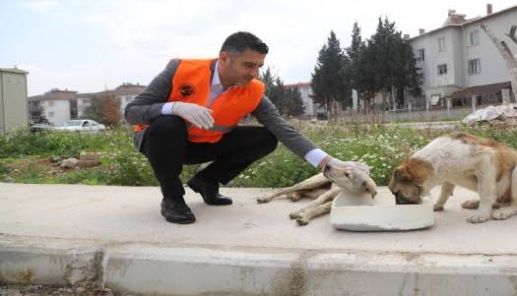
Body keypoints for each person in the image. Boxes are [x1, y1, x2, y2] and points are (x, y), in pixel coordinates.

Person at [124, 31, 359, 224]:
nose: (254, 73)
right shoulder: (180, 69)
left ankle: (207, 181)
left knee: (266, 138)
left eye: (259, 66)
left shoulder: (253, 89)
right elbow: (132, 112)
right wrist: (174, 107)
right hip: (162, 144)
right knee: (167, 125)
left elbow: (283, 128)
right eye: (248, 65)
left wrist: (328, 163)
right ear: (224, 58)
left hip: (203, 145)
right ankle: (172, 198)